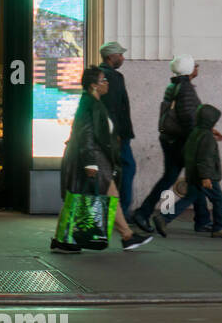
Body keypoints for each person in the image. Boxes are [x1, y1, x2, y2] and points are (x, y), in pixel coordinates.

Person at [53, 66, 152, 253]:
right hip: (94, 159)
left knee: (84, 196)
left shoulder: (94, 103)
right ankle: (127, 236)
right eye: (103, 80)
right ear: (93, 86)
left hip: (97, 158)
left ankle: (64, 239)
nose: (106, 83)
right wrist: (90, 162)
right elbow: (86, 134)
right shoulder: (89, 104)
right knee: (102, 194)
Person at [131, 56, 213, 236]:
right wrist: (199, 139)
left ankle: (202, 219)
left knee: (178, 177)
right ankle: (152, 214)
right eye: (195, 65)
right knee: (192, 179)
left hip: (170, 139)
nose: (197, 68)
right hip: (182, 141)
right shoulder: (186, 90)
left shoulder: (174, 86)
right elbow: (190, 118)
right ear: (189, 70)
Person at [97, 41, 136, 216]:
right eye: (120, 54)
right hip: (117, 135)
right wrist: (117, 134)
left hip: (112, 133)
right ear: (110, 56)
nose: (122, 58)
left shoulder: (104, 75)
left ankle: (117, 211)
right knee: (127, 168)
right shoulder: (112, 77)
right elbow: (114, 108)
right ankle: (122, 211)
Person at [183, 104, 222, 238]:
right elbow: (204, 158)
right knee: (218, 199)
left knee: (192, 198)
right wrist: (206, 177)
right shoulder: (207, 137)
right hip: (206, 176)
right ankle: (219, 227)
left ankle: (165, 218)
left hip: (194, 173)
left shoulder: (197, 132)